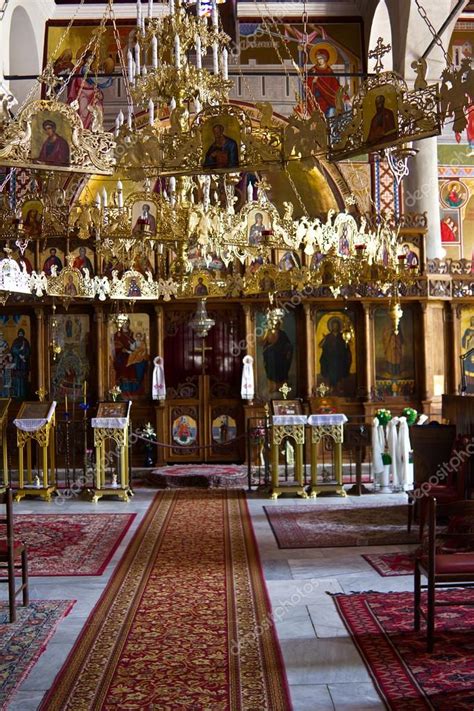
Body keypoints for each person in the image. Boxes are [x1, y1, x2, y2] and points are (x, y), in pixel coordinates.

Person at [67, 50, 113, 130]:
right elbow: (96, 81)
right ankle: (83, 131)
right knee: (84, 114)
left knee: (96, 111)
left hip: (90, 94)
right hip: (84, 94)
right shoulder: (85, 69)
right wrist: (109, 79)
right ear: (85, 59)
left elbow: (94, 82)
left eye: (92, 58)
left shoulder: (89, 70)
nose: (91, 60)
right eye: (89, 58)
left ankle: (90, 129)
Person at [306, 48, 341, 117]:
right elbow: (307, 83)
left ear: (325, 58)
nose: (319, 60)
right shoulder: (313, 70)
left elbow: (335, 84)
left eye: (321, 58)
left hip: (328, 96)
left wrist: (341, 93)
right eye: (318, 58)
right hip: (317, 96)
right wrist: (313, 81)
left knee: (332, 109)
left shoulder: (329, 71)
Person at [319, 317, 352, 390]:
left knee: (339, 372)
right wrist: (324, 339)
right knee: (331, 373)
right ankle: (331, 387)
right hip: (330, 359)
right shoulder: (328, 336)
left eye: (336, 325)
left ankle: (339, 387)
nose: (335, 327)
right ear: (331, 327)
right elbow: (320, 345)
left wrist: (347, 340)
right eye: (333, 325)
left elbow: (347, 345)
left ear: (338, 326)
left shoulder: (342, 336)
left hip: (339, 358)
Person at [262, 323, 293, 390]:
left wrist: (287, 351)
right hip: (272, 356)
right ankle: (273, 386)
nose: (276, 325)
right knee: (272, 370)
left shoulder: (282, 333)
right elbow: (265, 343)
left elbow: (288, 344)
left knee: (281, 370)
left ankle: (282, 385)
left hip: (281, 356)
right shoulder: (269, 332)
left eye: (277, 324)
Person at [10, 328, 30, 400]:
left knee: (23, 380)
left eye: (22, 333)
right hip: (17, 364)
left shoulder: (26, 342)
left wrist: (24, 356)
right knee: (17, 380)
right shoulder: (15, 341)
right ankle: (17, 395)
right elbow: (13, 350)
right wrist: (19, 354)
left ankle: (23, 395)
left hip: (24, 364)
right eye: (19, 333)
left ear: (23, 334)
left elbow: (28, 351)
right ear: (18, 334)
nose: (20, 334)